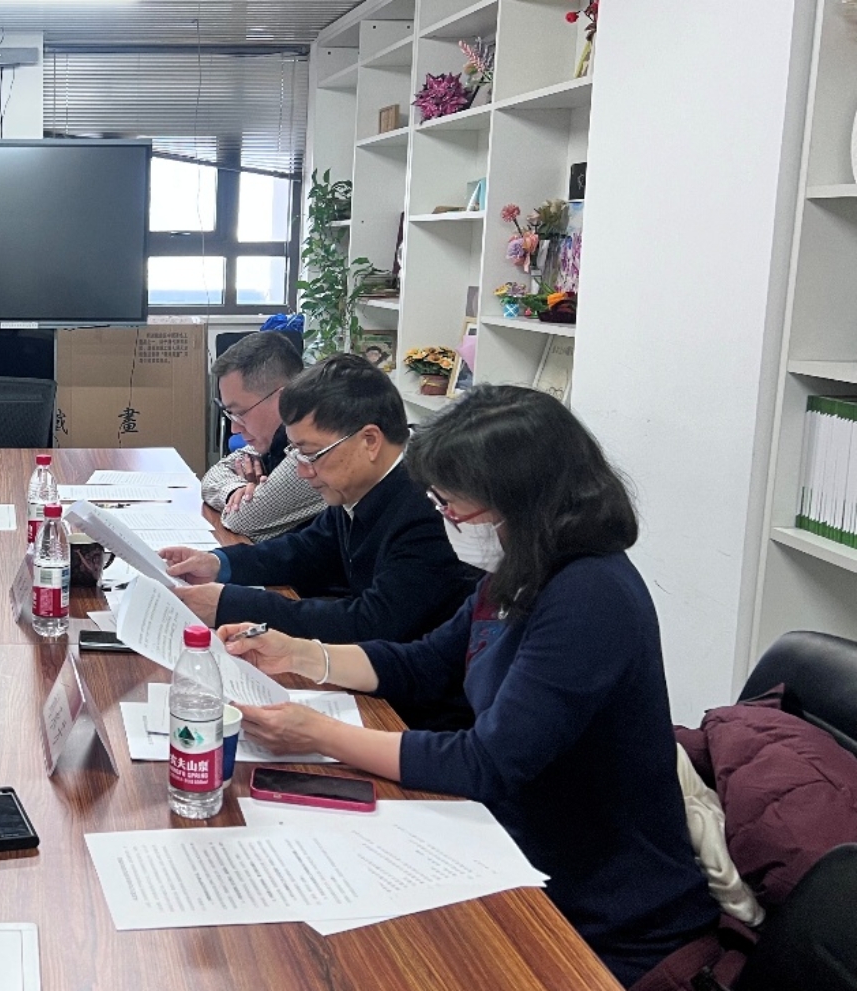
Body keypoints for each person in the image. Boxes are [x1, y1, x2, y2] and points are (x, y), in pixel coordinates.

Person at [221, 385, 718, 987]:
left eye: (455, 504)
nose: (447, 518)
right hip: (513, 847)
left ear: (520, 500)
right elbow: (425, 662)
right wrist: (301, 654)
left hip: (598, 910)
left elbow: (488, 762)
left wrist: (316, 732)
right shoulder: (519, 569)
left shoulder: (590, 596)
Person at [161, 352, 478, 646]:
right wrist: (219, 563)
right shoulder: (358, 484)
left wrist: (230, 604)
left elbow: (373, 623)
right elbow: (307, 550)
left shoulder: (432, 506)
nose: (302, 471)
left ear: (369, 440)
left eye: (311, 454)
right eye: (296, 453)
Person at [199, 333, 324, 542]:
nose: (234, 428)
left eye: (240, 413)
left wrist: (251, 497)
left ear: (283, 399)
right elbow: (213, 475)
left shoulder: (313, 448)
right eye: (230, 415)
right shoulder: (274, 440)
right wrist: (236, 489)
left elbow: (241, 519)